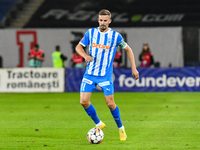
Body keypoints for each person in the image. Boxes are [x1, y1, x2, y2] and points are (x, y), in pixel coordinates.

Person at [75, 9, 139, 141]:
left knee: (110, 104)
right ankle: (99, 123)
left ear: (109, 21)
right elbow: (78, 47)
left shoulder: (116, 36)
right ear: (98, 20)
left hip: (105, 75)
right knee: (83, 101)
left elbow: (128, 49)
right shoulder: (90, 32)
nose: (103, 23)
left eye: (105, 21)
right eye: (101, 20)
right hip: (90, 74)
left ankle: (121, 128)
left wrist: (134, 68)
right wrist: (85, 56)